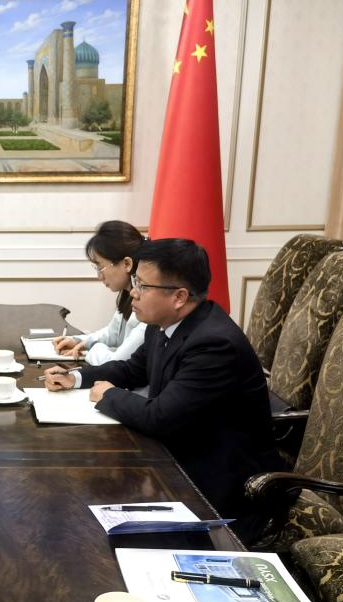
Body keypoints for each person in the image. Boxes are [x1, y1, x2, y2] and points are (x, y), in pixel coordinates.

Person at [43, 238, 282, 542]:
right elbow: (132, 369)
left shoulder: (214, 344)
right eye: (135, 282)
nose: (133, 292)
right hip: (177, 459)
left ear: (179, 296)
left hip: (222, 489)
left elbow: (161, 417)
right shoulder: (164, 324)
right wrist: (76, 378)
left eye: (143, 286)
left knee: (89, 526)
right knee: (84, 500)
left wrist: (109, 395)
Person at [51, 220, 147, 365]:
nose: (99, 276)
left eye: (100, 267)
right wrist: (79, 341)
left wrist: (92, 349)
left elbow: (115, 363)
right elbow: (112, 334)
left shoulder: (147, 307)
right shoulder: (127, 295)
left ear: (127, 264)